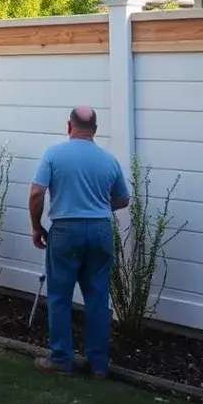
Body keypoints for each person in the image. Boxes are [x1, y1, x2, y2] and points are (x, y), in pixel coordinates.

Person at [29, 105, 130, 377]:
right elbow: (123, 199)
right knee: (98, 298)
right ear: (95, 130)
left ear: (68, 126)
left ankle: (62, 359)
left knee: (60, 297)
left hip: (65, 231)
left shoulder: (53, 154)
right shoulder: (109, 160)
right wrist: (97, 206)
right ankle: (98, 364)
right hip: (100, 231)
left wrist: (36, 227)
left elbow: (37, 193)